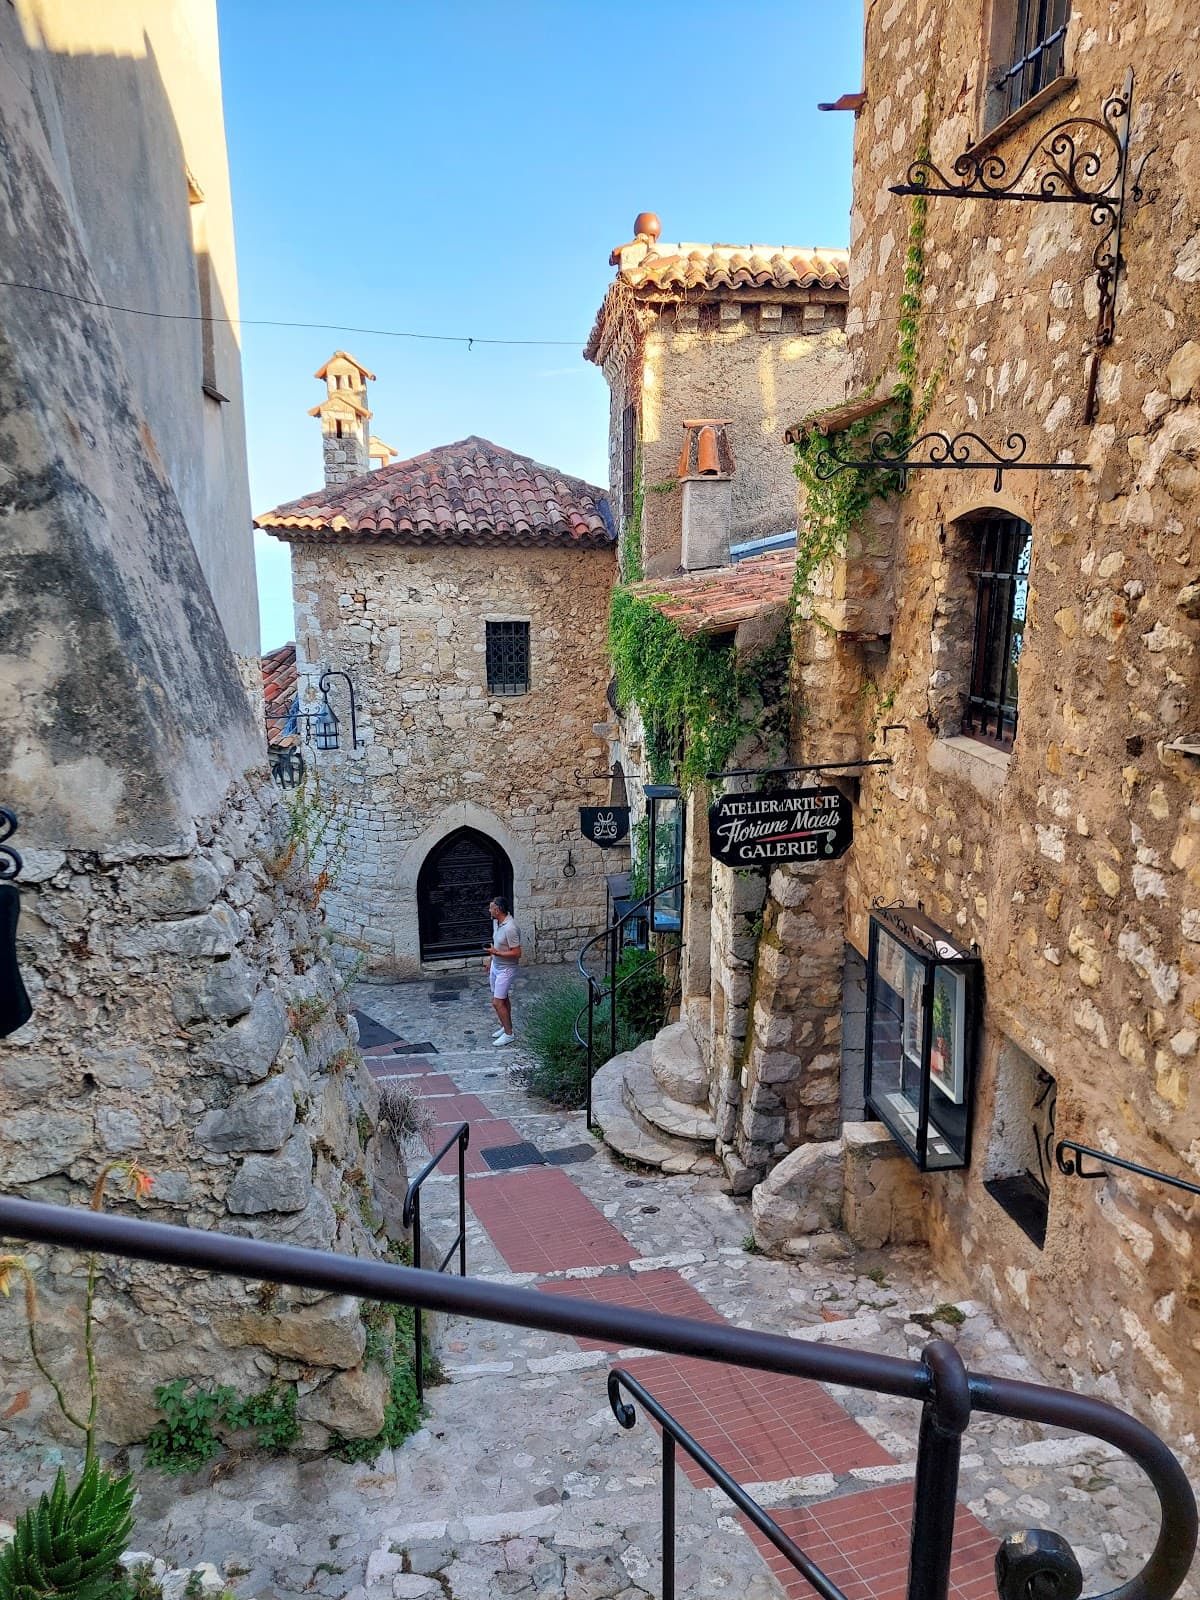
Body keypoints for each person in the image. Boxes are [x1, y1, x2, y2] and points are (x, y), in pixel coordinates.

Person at [484, 894, 521, 1046]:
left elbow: (517, 953)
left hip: (506, 969)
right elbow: (497, 944)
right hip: (496, 966)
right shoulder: (497, 923)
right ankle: (506, 1026)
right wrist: (490, 959)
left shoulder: (511, 928)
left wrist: (496, 954)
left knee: (497, 1002)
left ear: (498, 910)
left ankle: (509, 1034)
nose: (489, 910)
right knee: (503, 997)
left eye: (491, 908)